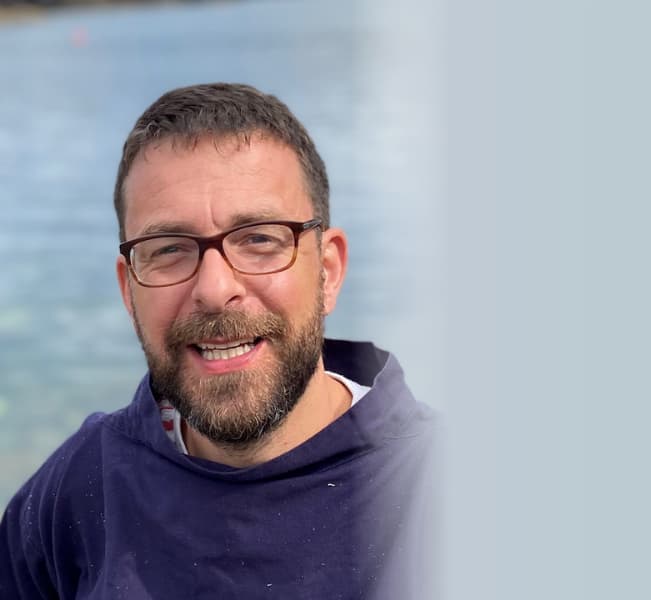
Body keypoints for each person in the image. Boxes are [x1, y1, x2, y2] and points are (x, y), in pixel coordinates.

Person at [0, 83, 437, 599]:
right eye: (169, 249)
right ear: (128, 290)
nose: (213, 288)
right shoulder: (78, 491)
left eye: (259, 239)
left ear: (329, 271)